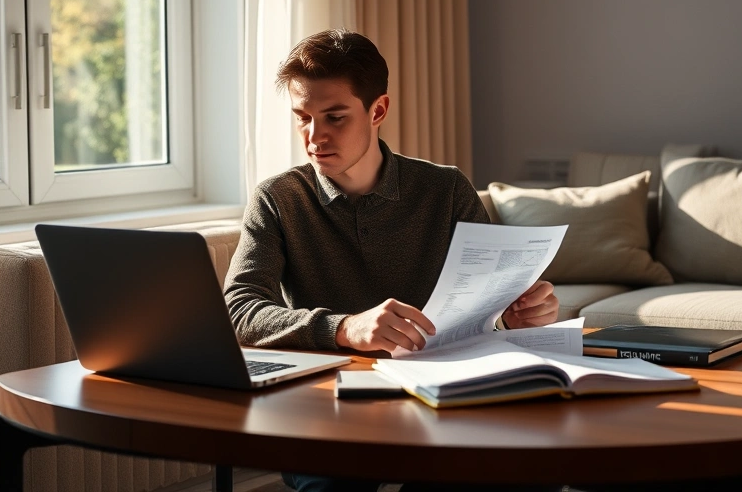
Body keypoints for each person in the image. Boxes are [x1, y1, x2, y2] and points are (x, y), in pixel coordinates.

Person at [224, 29, 561, 492]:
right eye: (302, 118)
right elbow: (238, 311)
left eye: (334, 117)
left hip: (442, 398)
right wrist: (344, 328)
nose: (314, 136)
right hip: (329, 406)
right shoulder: (278, 198)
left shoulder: (445, 189)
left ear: (378, 110)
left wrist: (517, 312)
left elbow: (493, 296)